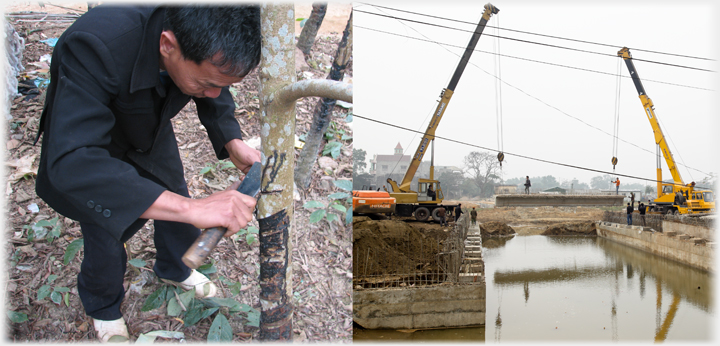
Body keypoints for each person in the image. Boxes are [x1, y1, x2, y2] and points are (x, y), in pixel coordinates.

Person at [33, 5, 262, 342]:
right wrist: (194, 209)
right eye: (205, 83)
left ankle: (176, 268)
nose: (214, 91)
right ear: (167, 45)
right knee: (106, 233)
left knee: (174, 190)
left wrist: (231, 139)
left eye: (221, 84)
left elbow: (217, 81)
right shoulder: (94, 44)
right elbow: (74, 160)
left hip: (148, 125)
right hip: (94, 144)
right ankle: (103, 305)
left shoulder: (201, 36)